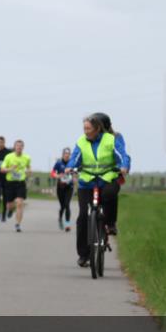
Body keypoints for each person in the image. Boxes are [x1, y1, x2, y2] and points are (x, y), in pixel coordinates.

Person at [65, 113, 131, 268]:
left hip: (107, 178)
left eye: (88, 129)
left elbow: (122, 155)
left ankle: (109, 222)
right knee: (82, 218)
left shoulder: (111, 139)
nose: (86, 131)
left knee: (109, 194)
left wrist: (123, 166)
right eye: (84, 128)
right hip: (87, 182)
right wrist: (70, 166)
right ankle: (84, 254)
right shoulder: (81, 142)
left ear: (97, 129)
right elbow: (75, 156)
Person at [0, 139, 31, 232]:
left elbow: (29, 167)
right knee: (9, 205)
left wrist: (29, 171)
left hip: (20, 183)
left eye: (21, 146)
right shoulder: (8, 157)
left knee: (19, 203)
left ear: (23, 148)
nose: (19, 148)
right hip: (10, 183)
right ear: (14, 147)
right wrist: (10, 169)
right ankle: (10, 210)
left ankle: (17, 224)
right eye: (17, 146)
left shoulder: (27, 158)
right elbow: (2, 169)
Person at [51, 148, 75, 232]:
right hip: (60, 187)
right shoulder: (58, 163)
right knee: (62, 206)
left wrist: (75, 176)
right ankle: (60, 218)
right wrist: (57, 176)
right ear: (63, 154)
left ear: (70, 155)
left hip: (69, 187)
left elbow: (76, 172)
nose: (67, 155)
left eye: (68, 154)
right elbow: (52, 173)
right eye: (65, 154)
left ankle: (67, 224)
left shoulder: (72, 163)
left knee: (67, 204)